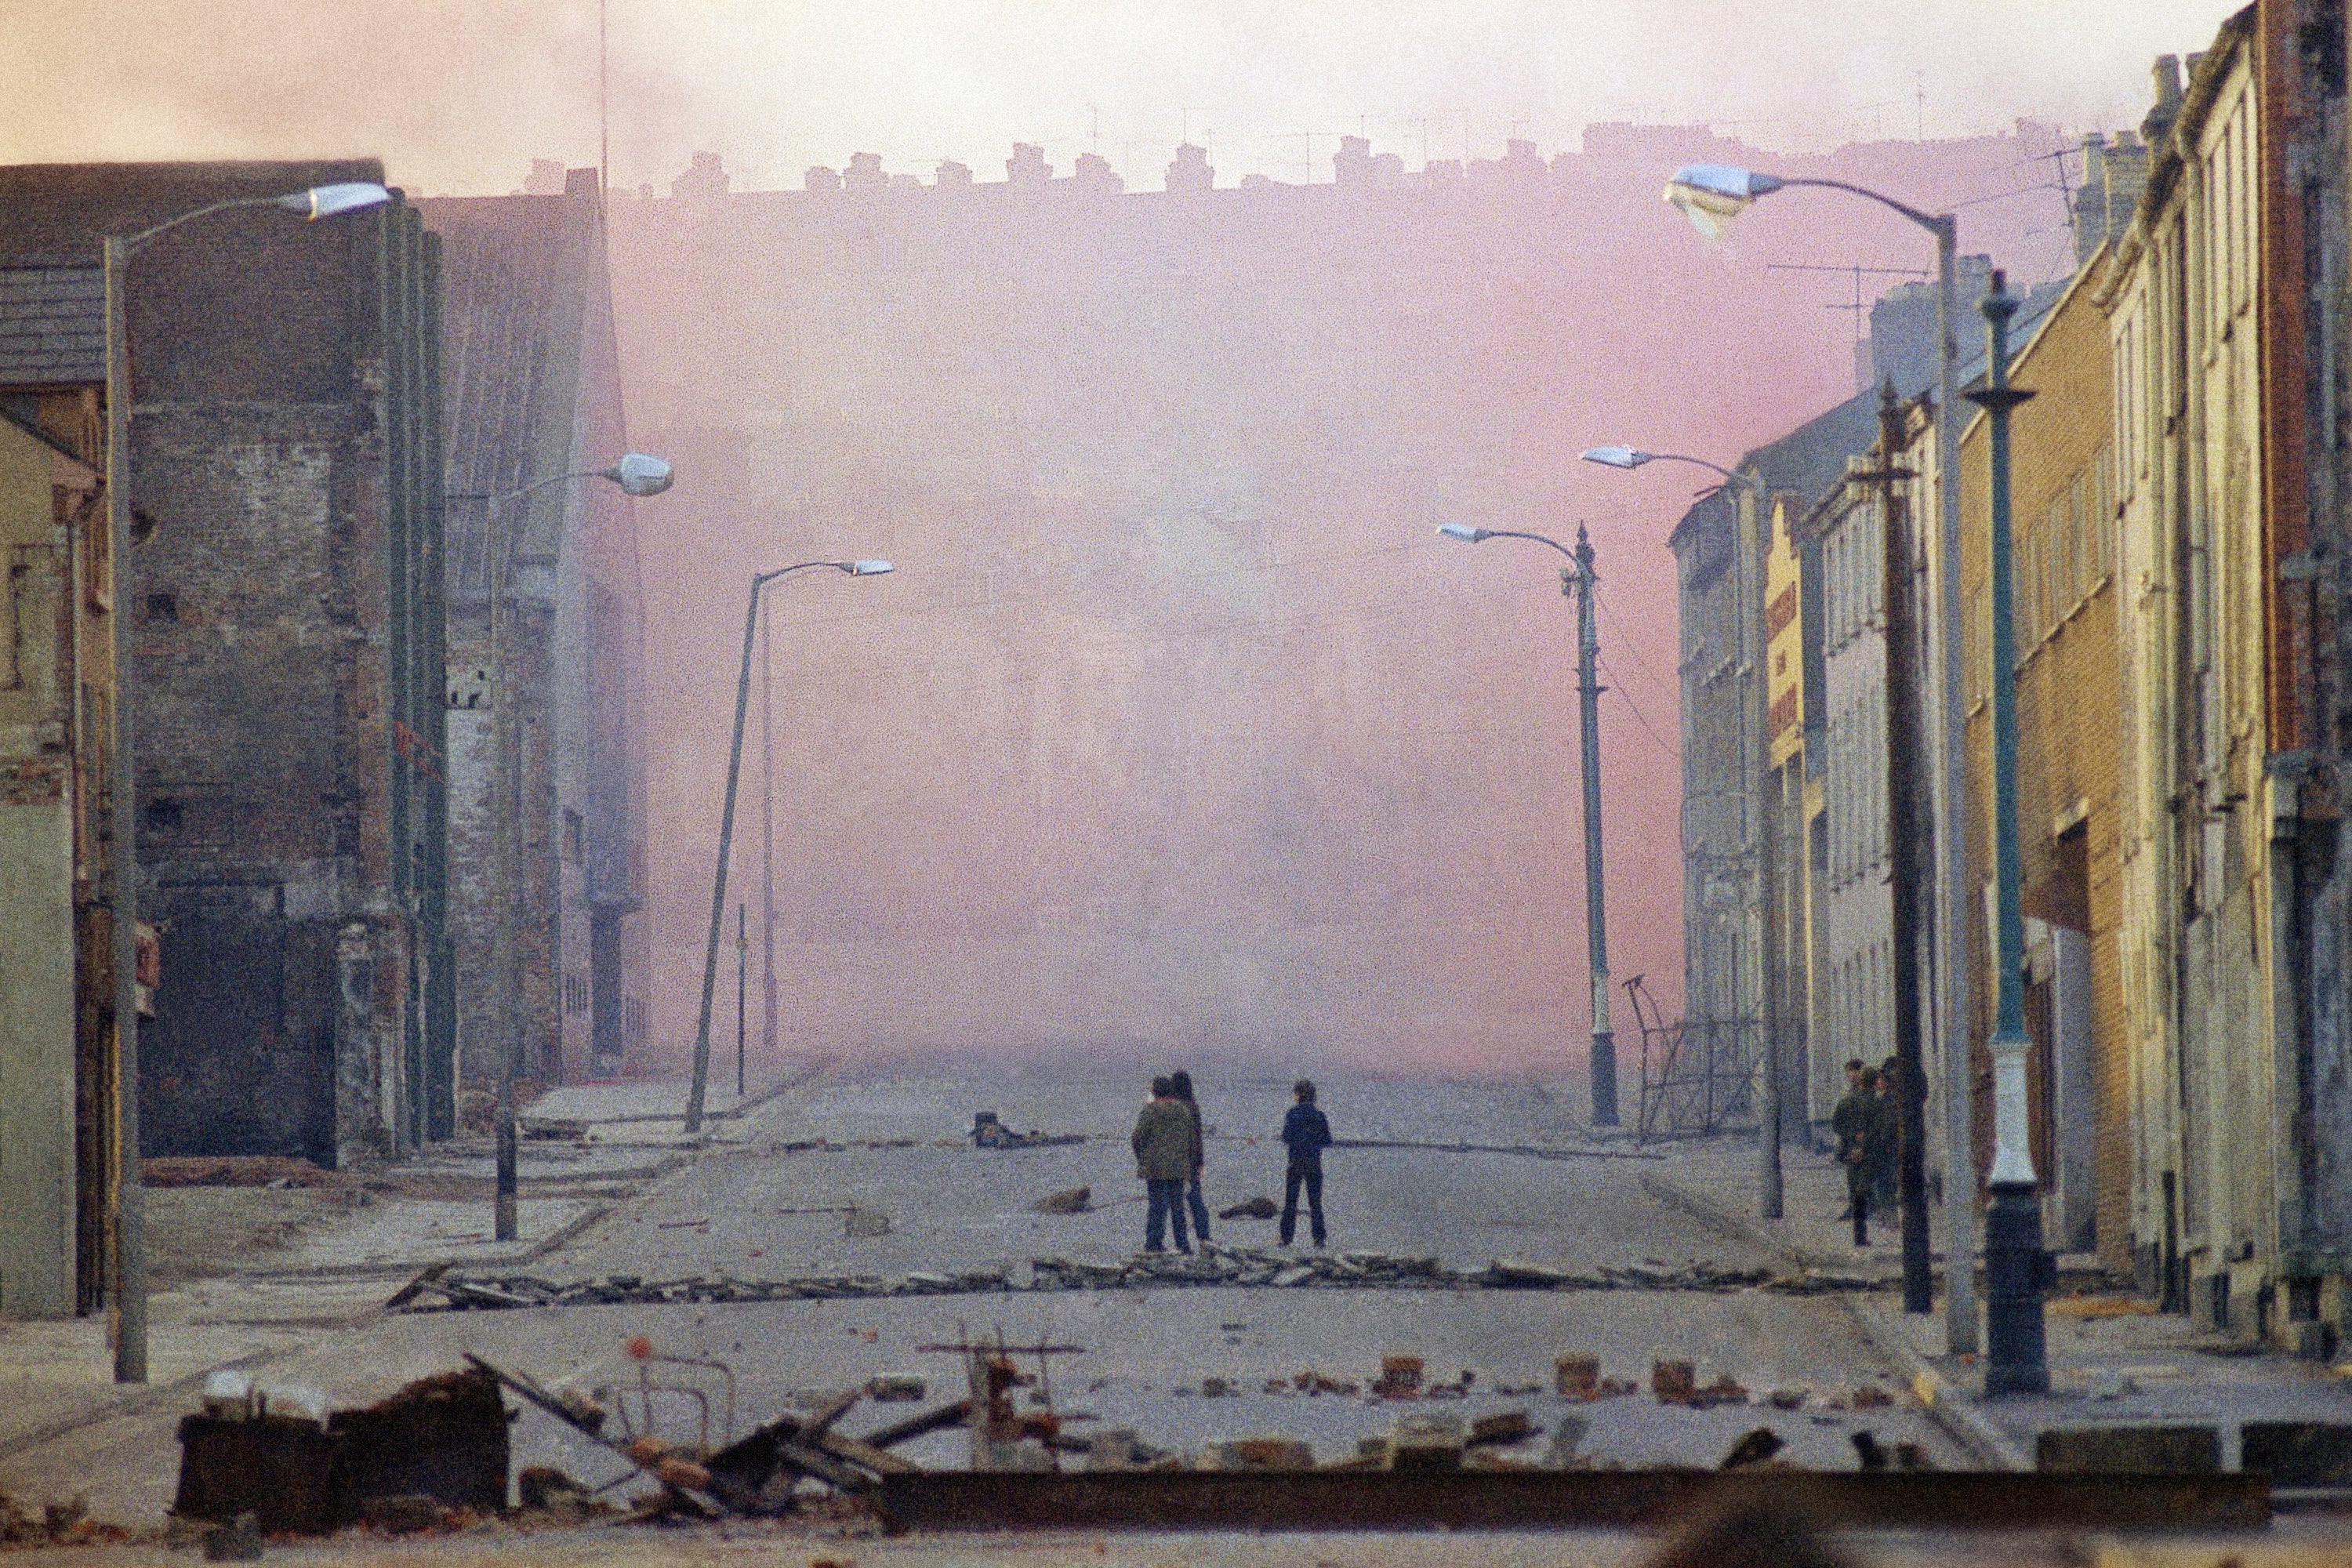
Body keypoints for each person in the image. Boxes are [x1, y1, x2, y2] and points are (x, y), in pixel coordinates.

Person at [1131, 1076, 1194, 1253]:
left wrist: (1141, 1158)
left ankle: (1153, 1245)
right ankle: (1183, 1245)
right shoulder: (1183, 1110)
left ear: (1154, 1091)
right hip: (1178, 1166)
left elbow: (1137, 1137)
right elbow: (1191, 1138)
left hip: (1155, 1167)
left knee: (1157, 1207)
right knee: (1178, 1208)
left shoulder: (1150, 1111)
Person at [1279, 1079, 1333, 1248]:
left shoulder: (1292, 1114)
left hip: (1295, 1161)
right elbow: (1327, 1141)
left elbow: (1286, 1137)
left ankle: (1286, 1238)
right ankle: (1319, 1238)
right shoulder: (1319, 1116)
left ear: (1298, 1095)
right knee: (1315, 1202)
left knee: (1291, 1202)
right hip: (1314, 1162)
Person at [1831, 1065, 1878, 1247]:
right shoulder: (1877, 1103)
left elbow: (1836, 1125)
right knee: (1867, 1190)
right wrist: (1864, 1144)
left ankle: (1859, 1236)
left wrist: (1853, 1138)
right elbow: (1879, 1130)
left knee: (1856, 1192)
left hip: (1851, 1152)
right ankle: (1871, 1227)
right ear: (1874, 1082)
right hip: (1870, 1153)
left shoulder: (1847, 1101)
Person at [1170, 1069, 1212, 1246]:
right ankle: (1205, 1238)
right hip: (1192, 1160)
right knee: (1196, 1201)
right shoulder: (1193, 1106)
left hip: (1175, 1162)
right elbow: (1197, 1137)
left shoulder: (1173, 1108)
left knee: (1177, 1204)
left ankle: (1182, 1243)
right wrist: (1200, 1161)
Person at [1870, 1056, 1904, 1219]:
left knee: (1887, 1181)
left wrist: (1881, 1141)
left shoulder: (1890, 1099)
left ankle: (1890, 1216)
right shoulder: (1889, 1098)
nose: (1877, 1083)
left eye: (1880, 1079)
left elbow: (1888, 1125)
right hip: (1890, 1145)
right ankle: (1888, 1214)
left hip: (1889, 1146)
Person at [1834, 1060, 1864, 1218]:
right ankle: (1855, 1207)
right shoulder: (1852, 1090)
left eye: (1852, 1071)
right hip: (1852, 1140)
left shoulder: (1864, 1090)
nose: (1849, 1074)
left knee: (1860, 1177)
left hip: (1862, 1140)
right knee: (1853, 1176)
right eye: (1848, 1071)